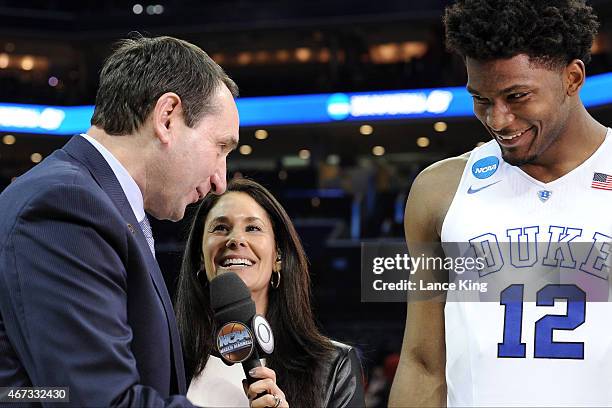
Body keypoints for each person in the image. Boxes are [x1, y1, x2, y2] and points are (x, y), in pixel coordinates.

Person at [389, 0, 611, 406]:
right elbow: (422, 363)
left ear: (573, 77)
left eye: (517, 96)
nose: (498, 120)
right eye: (481, 98)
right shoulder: (439, 190)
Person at [0, 35, 240, 406]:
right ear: (167, 117)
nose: (220, 181)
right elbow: (100, 400)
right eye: (220, 147)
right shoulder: (66, 204)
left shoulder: (98, 203)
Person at [175, 178, 366, 407]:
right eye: (221, 228)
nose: (236, 239)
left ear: (278, 257)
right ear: (200, 258)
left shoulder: (333, 367)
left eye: (253, 228)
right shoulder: (162, 359)